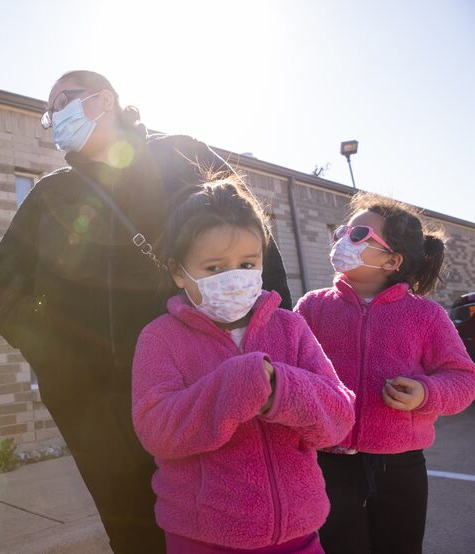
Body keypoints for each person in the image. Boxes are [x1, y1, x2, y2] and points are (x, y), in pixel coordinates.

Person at [0, 70, 292, 553]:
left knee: (220, 516)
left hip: (190, 381)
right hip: (92, 402)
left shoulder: (178, 155)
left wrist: (272, 340)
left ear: (103, 100)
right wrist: (56, 357)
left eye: (61, 102)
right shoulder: (50, 195)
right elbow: (5, 286)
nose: (53, 118)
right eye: (49, 113)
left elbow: (251, 237)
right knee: (128, 525)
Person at [132, 178, 355, 553]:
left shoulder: (290, 327)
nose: (233, 277)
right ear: (177, 271)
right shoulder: (160, 338)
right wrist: (233, 387)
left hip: (299, 535)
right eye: (214, 267)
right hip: (203, 537)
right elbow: (156, 429)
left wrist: (280, 389)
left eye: (247, 263)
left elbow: (339, 417)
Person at [295, 192, 475, 554]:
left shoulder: (425, 315)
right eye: (343, 230)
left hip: (401, 468)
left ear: (393, 260)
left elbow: (463, 378)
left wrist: (426, 394)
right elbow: (290, 368)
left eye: (358, 234)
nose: (343, 238)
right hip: (327, 464)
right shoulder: (312, 307)